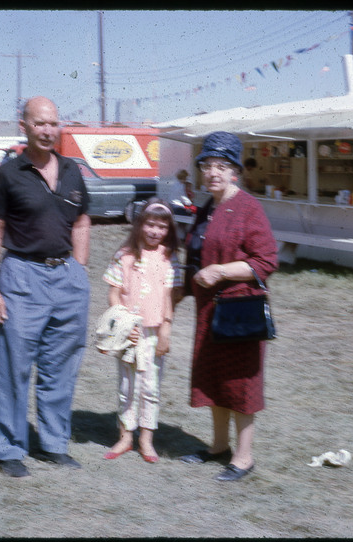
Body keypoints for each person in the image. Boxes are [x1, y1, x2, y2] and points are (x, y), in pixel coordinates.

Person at [0, 96, 91, 478]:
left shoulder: (74, 171)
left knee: (61, 367)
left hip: (66, 278)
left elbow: (81, 221)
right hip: (22, 277)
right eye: (39, 123)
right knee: (15, 367)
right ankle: (8, 448)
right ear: (23, 125)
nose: (47, 131)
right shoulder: (8, 174)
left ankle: (53, 443)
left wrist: (78, 268)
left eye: (53, 124)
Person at [178, 131, 278, 482]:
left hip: (239, 313)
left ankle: (244, 457)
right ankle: (218, 446)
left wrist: (220, 271)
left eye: (222, 166)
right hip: (209, 312)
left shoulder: (249, 207)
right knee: (215, 380)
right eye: (208, 165)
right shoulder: (208, 207)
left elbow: (266, 261)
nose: (214, 172)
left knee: (240, 385)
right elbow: (196, 256)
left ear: (235, 171)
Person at [100, 198, 182, 464]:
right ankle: (125, 436)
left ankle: (146, 439)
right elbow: (114, 294)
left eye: (161, 227)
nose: (155, 231)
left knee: (150, 387)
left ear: (168, 230)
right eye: (150, 224)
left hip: (154, 332)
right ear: (139, 224)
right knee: (127, 386)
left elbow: (168, 297)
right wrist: (124, 325)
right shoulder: (124, 255)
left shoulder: (168, 258)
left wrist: (166, 330)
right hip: (129, 332)